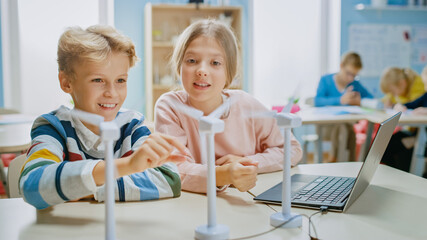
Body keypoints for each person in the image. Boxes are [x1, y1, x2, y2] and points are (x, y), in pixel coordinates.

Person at [20, 25, 187, 209]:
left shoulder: (132, 125)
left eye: (121, 80)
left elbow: (169, 179)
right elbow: (33, 184)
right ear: (66, 82)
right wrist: (128, 166)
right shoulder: (52, 127)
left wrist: (88, 190)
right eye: (98, 80)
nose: (112, 93)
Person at [154, 19, 302, 193]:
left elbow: (292, 149)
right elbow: (173, 168)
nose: (202, 70)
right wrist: (223, 175)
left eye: (215, 63)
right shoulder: (170, 106)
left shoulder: (247, 105)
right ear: (179, 66)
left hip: (247, 201)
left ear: (229, 72)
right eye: (192, 60)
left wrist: (247, 163)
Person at [314, 52, 374, 162]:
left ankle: (337, 161)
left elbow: (371, 99)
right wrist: (340, 100)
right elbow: (317, 101)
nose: (351, 78)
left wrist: (360, 102)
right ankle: (348, 164)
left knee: (347, 129)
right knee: (346, 129)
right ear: (341, 66)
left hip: (346, 126)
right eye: (348, 73)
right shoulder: (326, 80)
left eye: (354, 75)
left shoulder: (355, 84)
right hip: (326, 127)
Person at [381, 66, 427, 173]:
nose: (425, 88)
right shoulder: (426, 95)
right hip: (418, 134)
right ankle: (396, 176)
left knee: (404, 151)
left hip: (422, 138)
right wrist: (399, 106)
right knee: (386, 144)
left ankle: (406, 178)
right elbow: (411, 105)